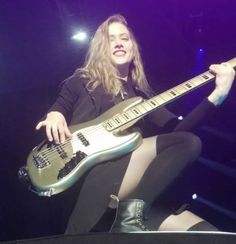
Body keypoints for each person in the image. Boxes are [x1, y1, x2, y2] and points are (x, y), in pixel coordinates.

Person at [35, 14, 235, 233]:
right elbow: (61, 105)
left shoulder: (142, 96)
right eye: (111, 39)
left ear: (133, 47)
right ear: (102, 47)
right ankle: (128, 218)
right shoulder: (83, 79)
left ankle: (129, 215)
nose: (119, 43)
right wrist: (54, 114)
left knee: (208, 234)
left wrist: (218, 95)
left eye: (125, 38)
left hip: (133, 190)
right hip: (95, 174)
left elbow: (179, 135)